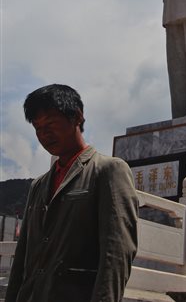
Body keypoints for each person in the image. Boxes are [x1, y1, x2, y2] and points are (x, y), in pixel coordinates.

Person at [5, 84, 138, 302]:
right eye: (38, 128)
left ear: (77, 117)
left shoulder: (108, 170)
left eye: (50, 124)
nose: (44, 135)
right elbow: (22, 258)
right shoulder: (38, 185)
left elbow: (116, 255)